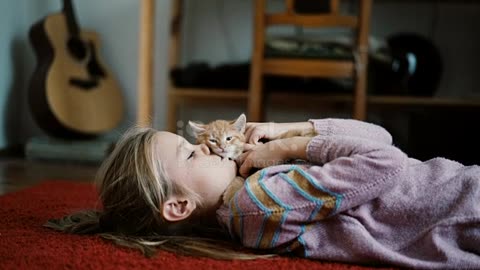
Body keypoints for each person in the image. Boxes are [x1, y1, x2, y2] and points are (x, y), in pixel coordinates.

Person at [46, 118, 480, 268]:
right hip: (457, 211)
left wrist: (291, 130)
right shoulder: (255, 206)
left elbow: (378, 135)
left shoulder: (255, 191)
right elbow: (386, 161)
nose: (208, 146)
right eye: (191, 154)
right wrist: (290, 147)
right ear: (178, 205)